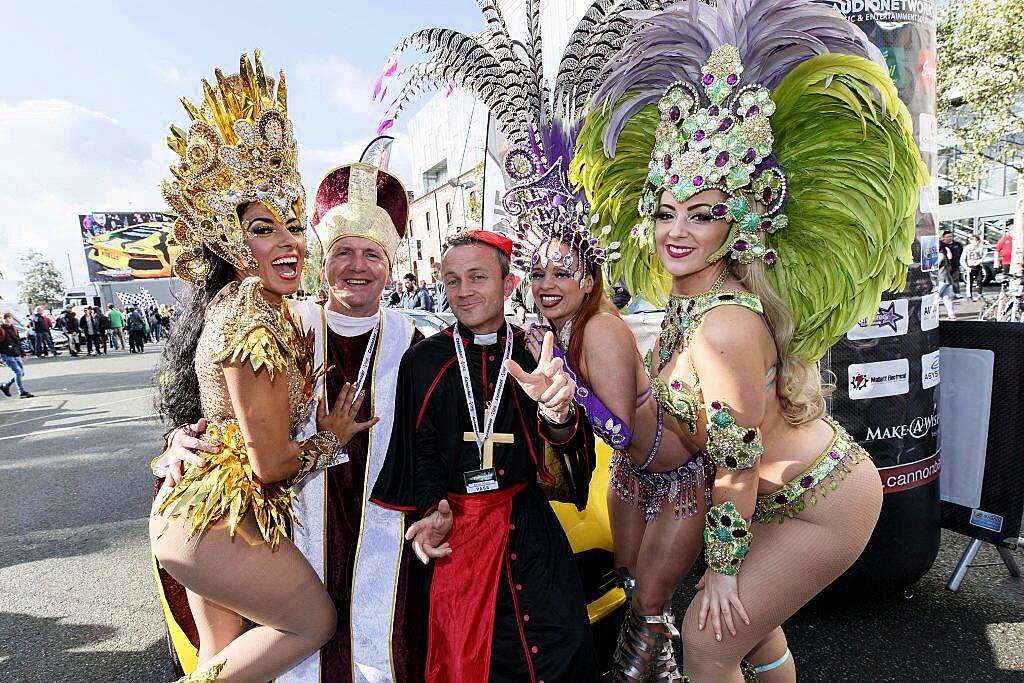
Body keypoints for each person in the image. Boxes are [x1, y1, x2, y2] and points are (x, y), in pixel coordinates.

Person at [573, 1, 927, 680]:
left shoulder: (724, 325)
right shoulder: (687, 308)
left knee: (710, 641)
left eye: (704, 214)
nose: (678, 230)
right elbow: (675, 438)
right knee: (755, 638)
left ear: (738, 222)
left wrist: (725, 568)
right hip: (770, 496)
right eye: (667, 210)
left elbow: (733, 461)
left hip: (821, 501)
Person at [158, 161, 430, 682]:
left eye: (372, 254)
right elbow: (219, 403)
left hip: (383, 542)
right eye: (343, 252)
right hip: (286, 532)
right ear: (322, 261)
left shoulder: (420, 344)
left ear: (391, 265)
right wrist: (180, 438)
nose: (357, 266)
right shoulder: (284, 321)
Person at [149, 51, 346, 683]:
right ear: (234, 243)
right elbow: (272, 463)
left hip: (206, 515)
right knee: (313, 624)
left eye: (292, 224)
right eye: (265, 229)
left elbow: (214, 419)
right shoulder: (250, 321)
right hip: (215, 524)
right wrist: (332, 441)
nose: (287, 241)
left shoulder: (240, 305)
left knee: (221, 664)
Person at [371, 231, 599, 683]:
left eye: (477, 277)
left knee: (563, 647)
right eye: (452, 280)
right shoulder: (424, 361)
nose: (463, 291)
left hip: (529, 531)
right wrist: (432, 505)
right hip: (460, 534)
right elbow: (423, 450)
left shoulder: (537, 352)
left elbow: (569, 468)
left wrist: (557, 413)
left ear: (509, 283)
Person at [0, 313, 33, 398]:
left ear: (11, 319)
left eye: (9, 318)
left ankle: (5, 385)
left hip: (16, 354)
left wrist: (23, 353)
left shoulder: (14, 329)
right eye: (5, 318)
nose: (8, 320)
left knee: (21, 373)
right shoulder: (1, 329)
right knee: (18, 372)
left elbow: (18, 342)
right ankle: (21, 392)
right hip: (7, 355)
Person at [937, 238, 958, 320]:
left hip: (942, 278)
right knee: (946, 298)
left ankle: (932, 315)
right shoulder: (943, 253)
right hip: (945, 278)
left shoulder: (940, 254)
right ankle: (951, 314)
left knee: (935, 296)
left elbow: (936, 265)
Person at [941, 230, 964, 296]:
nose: (949, 238)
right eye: (947, 237)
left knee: (955, 280)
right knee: (944, 281)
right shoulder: (942, 245)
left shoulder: (957, 245)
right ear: (944, 237)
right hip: (944, 267)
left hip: (955, 266)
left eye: (951, 236)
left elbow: (961, 254)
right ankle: (942, 294)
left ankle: (956, 293)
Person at [964, 234, 987, 301]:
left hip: (978, 266)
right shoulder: (967, 248)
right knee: (969, 281)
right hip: (970, 266)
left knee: (979, 280)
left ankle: (980, 294)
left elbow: (983, 256)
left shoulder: (981, 248)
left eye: (976, 241)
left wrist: (979, 262)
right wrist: (966, 267)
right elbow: (962, 259)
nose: (975, 242)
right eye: (973, 240)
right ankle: (969, 295)